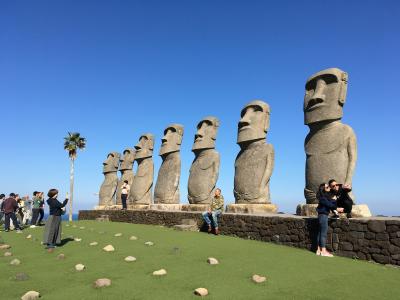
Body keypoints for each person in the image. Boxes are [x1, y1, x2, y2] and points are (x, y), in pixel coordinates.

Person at [316, 183, 344, 257]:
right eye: (327, 187)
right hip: (323, 216)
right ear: (323, 189)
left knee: (320, 233)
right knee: (323, 234)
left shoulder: (323, 197)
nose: (329, 188)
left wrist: (333, 200)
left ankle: (319, 250)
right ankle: (324, 251)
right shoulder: (322, 198)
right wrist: (335, 203)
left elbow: (329, 203)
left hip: (321, 216)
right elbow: (329, 205)